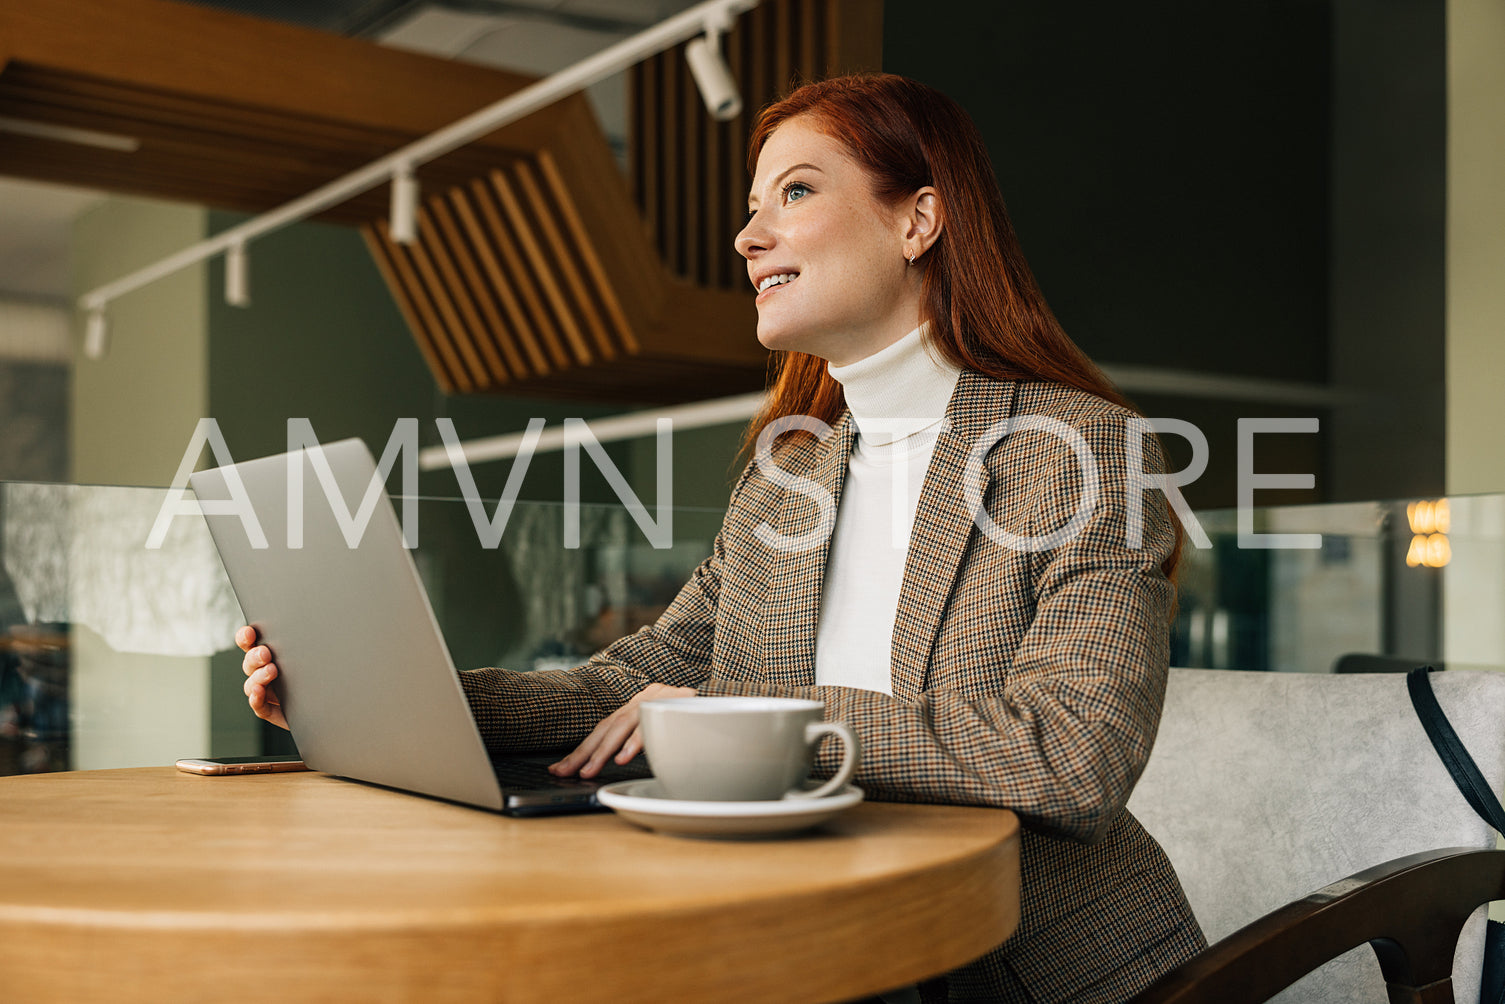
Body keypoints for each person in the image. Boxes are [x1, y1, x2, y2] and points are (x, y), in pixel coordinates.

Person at [241, 73, 1205, 1002]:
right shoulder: (791, 474)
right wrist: (401, 701)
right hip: (802, 938)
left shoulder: (1078, 450)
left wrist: (751, 718)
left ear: (917, 220)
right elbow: (644, 678)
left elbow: (1074, 756)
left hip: (1026, 967)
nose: (748, 237)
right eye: (753, 206)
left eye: (794, 192)